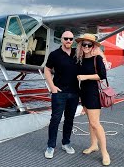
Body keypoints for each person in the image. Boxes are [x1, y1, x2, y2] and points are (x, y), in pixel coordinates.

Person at [75, 33, 111, 166]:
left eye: (89, 44)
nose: (86, 46)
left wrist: (85, 77)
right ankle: (93, 145)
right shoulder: (79, 59)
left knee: (96, 123)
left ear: (93, 46)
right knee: (90, 122)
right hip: (83, 93)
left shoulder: (97, 59)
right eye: (84, 44)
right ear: (81, 45)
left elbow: (102, 75)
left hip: (93, 93)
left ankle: (105, 152)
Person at [43, 30, 80, 159]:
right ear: (61, 39)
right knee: (55, 119)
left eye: (71, 39)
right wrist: (52, 87)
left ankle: (66, 143)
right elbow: (46, 69)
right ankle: (51, 146)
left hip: (75, 92)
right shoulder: (54, 55)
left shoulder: (77, 53)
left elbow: (93, 50)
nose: (68, 41)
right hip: (59, 92)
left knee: (69, 120)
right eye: (66, 38)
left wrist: (104, 61)